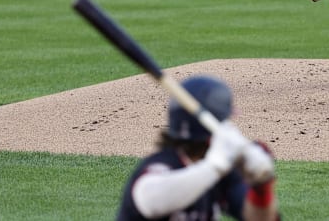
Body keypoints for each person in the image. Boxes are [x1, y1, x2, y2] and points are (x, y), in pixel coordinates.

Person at [116, 75, 279, 221]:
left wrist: (261, 188)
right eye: (225, 121)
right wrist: (215, 166)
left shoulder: (222, 175)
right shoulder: (163, 165)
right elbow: (150, 202)